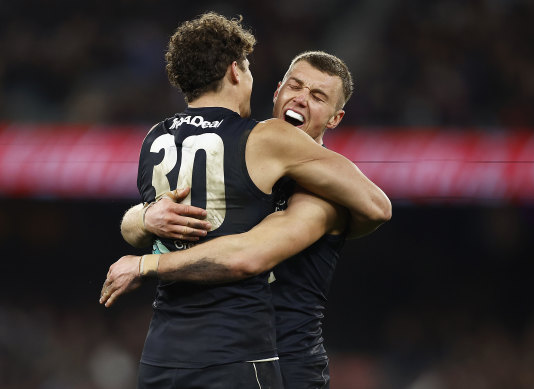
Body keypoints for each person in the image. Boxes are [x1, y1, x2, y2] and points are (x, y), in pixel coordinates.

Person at [100, 12, 390, 389]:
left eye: (317, 97)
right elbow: (151, 219)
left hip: (286, 365)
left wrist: (145, 264)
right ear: (277, 92)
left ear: (335, 119)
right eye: (295, 86)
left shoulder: (319, 197)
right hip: (222, 353)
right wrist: (144, 218)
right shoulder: (244, 161)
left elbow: (246, 255)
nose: (301, 98)